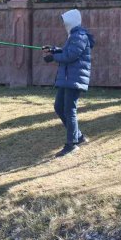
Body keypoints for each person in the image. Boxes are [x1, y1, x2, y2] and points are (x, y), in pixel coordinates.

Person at [42, 9, 95, 157]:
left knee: (69, 110)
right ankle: (78, 136)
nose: (63, 24)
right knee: (59, 107)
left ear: (71, 21)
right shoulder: (73, 35)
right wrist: (54, 50)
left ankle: (71, 144)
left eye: (65, 21)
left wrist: (54, 57)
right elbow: (67, 51)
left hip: (74, 79)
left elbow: (71, 55)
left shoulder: (80, 36)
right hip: (67, 78)